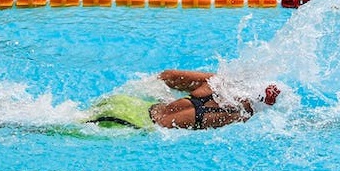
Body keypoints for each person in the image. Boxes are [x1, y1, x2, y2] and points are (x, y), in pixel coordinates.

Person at [87, 70, 280, 131]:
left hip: (127, 104)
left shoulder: (216, 83)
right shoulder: (238, 116)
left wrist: (163, 97)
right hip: (127, 126)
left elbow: (167, 76)